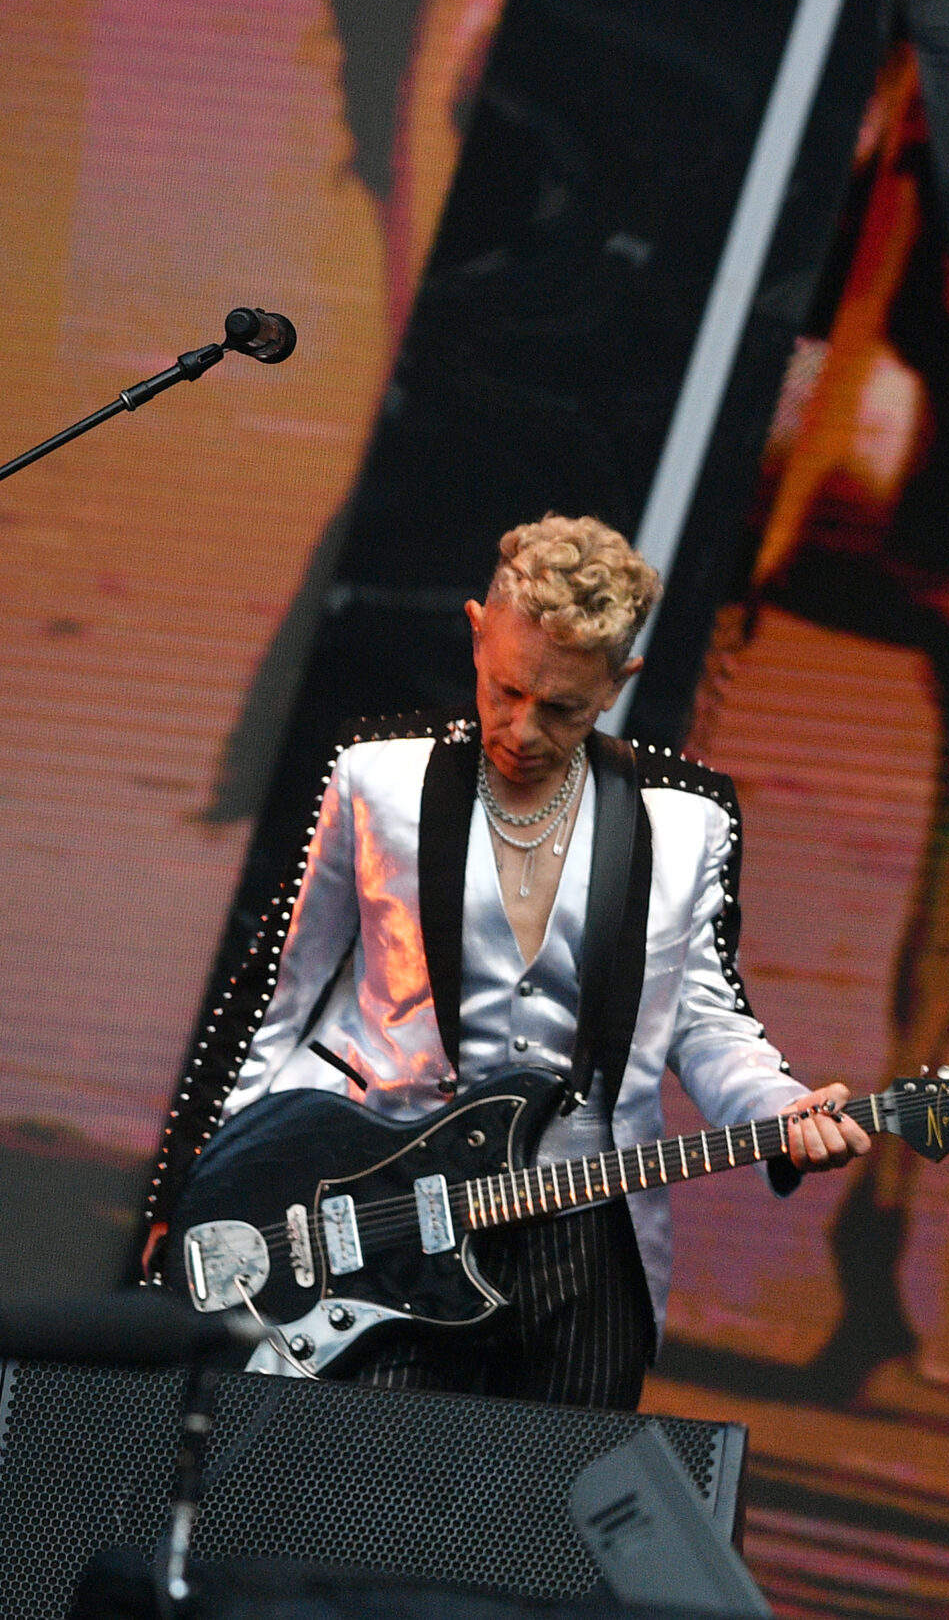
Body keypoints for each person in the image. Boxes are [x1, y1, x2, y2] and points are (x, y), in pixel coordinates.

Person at [144, 515, 870, 1408]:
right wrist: (201, 1190)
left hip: (584, 1219)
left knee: (556, 1482)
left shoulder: (687, 820)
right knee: (363, 1471)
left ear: (619, 683)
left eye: (562, 707)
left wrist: (782, 1108)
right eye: (507, 689)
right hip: (388, 1207)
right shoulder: (377, 778)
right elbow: (274, 996)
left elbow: (708, 1019)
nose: (524, 727)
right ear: (477, 631)